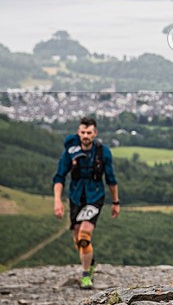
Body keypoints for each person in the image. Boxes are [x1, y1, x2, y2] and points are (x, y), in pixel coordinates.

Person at [53, 117, 120, 289]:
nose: (85, 135)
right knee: (78, 239)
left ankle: (85, 277)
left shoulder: (103, 152)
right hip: (76, 197)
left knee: (84, 236)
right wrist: (57, 201)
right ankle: (90, 263)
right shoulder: (70, 151)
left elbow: (111, 179)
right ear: (78, 132)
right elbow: (59, 177)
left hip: (95, 196)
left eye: (89, 132)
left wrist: (115, 202)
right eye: (82, 132)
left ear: (95, 133)